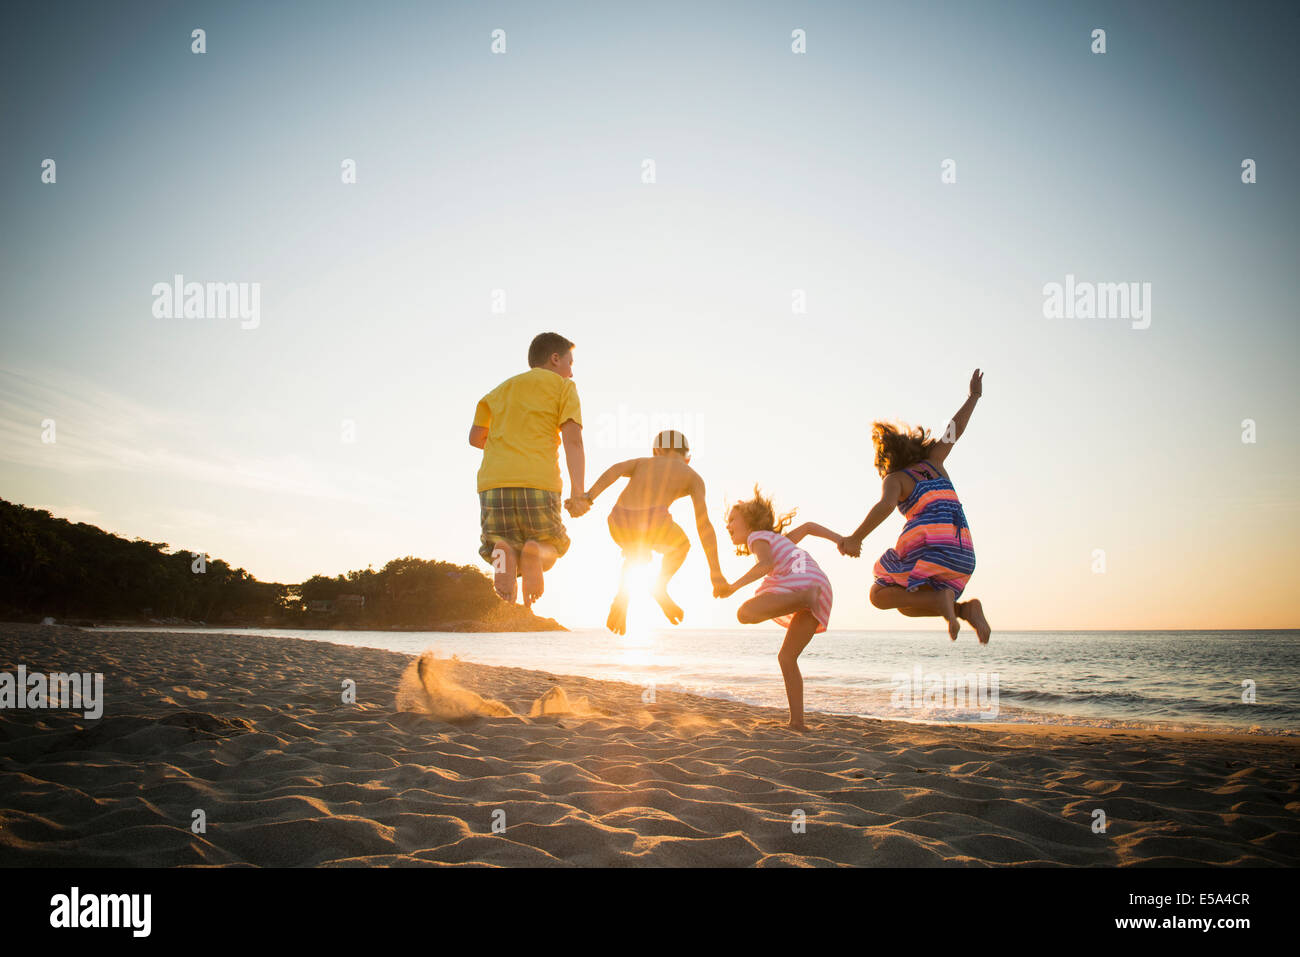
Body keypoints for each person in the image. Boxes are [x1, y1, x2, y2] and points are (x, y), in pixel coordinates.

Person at [839, 369, 991, 643]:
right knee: (907, 606)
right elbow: (954, 430)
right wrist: (974, 396)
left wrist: (856, 537)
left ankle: (943, 601)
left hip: (934, 548)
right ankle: (963, 609)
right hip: (963, 553)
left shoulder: (896, 479)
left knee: (879, 594)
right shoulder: (935, 461)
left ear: (886, 460)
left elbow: (884, 507)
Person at [468, 332, 588, 607]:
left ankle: (502, 552)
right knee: (553, 544)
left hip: (494, 486)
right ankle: (535, 552)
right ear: (555, 359)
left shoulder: (500, 390)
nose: (571, 372)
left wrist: (507, 444)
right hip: (538, 483)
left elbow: (476, 438)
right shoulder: (563, 388)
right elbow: (573, 441)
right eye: (570, 363)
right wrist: (578, 491)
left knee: (496, 542)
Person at [715, 487, 843, 731]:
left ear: (750, 520)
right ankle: (797, 722)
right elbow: (807, 527)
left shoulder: (757, 537)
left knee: (745, 613)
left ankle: (803, 597)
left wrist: (733, 587)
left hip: (803, 586)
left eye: (732, 519)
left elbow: (765, 564)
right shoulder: (779, 540)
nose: (727, 525)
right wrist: (839, 540)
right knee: (787, 657)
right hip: (821, 587)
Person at [578, 430, 726, 634]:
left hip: (618, 521)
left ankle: (622, 598)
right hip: (654, 522)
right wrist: (715, 572)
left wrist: (588, 496)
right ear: (688, 458)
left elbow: (615, 470)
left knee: (637, 553)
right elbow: (704, 525)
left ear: (656, 450)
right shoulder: (692, 476)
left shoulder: (642, 462)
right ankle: (659, 586)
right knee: (681, 546)